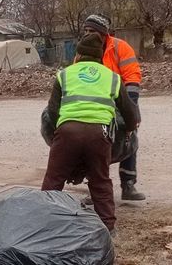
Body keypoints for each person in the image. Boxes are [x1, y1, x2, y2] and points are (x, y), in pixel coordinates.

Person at [41, 33, 140, 232]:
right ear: (101, 57)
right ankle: (108, 229)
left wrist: (56, 138)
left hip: (68, 132)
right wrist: (129, 131)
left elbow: (52, 111)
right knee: (100, 181)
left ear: (78, 55)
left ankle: (44, 225)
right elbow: (130, 113)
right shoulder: (112, 77)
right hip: (99, 135)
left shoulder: (64, 74)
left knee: (53, 180)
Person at [83, 14, 146, 201]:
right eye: (85, 31)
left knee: (129, 137)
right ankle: (96, 187)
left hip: (122, 98)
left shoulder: (120, 48)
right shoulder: (83, 51)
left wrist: (131, 108)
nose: (87, 35)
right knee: (95, 143)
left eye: (92, 31)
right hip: (96, 102)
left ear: (103, 33)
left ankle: (128, 185)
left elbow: (132, 78)